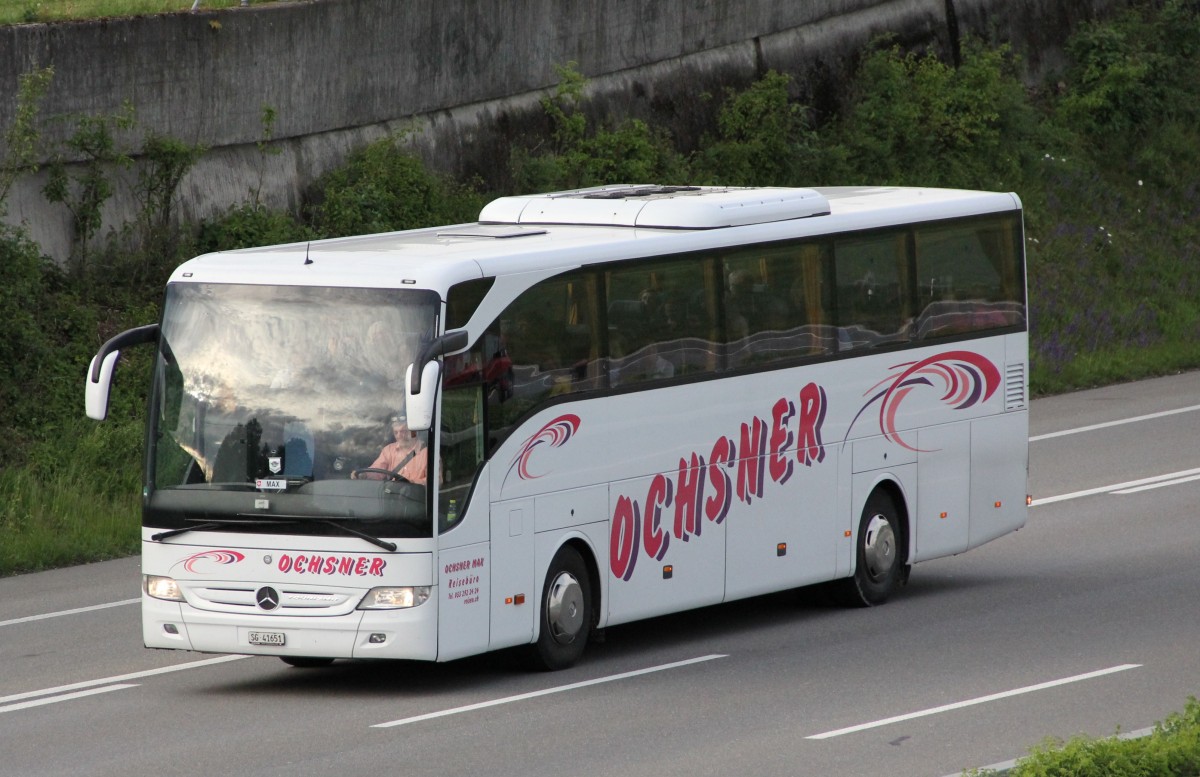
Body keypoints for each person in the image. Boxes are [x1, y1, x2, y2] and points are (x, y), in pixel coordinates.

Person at [352, 413, 429, 484]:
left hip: (416, 497)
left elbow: (437, 482)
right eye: (396, 432)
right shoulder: (389, 450)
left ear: (413, 432)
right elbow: (378, 470)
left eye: (403, 432)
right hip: (391, 496)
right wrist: (364, 475)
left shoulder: (428, 453)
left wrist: (410, 483)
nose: (399, 436)